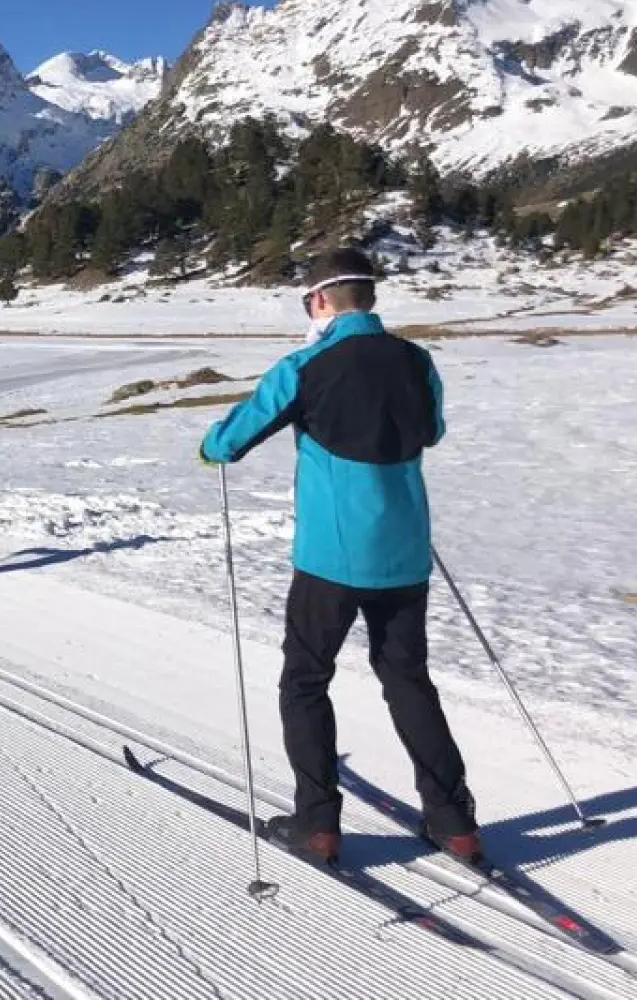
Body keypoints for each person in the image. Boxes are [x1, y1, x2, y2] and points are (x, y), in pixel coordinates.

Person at [198, 248, 479, 866]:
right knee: (407, 679)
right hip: (404, 551)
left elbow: (229, 440)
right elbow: (429, 431)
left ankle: (318, 825)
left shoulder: (304, 366)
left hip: (330, 556)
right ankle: (455, 822)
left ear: (321, 301)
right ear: (368, 299)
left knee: (305, 679)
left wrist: (212, 445)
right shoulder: (417, 361)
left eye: (308, 301)